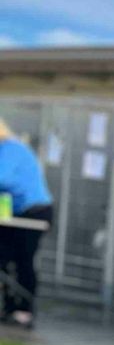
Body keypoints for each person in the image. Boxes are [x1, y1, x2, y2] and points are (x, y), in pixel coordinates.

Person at [0, 120, 53, 328]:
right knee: (4, 259)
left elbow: (2, 178)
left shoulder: (11, 149)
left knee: (24, 259)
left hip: (35, 212)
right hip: (14, 211)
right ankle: (10, 306)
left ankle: (24, 309)